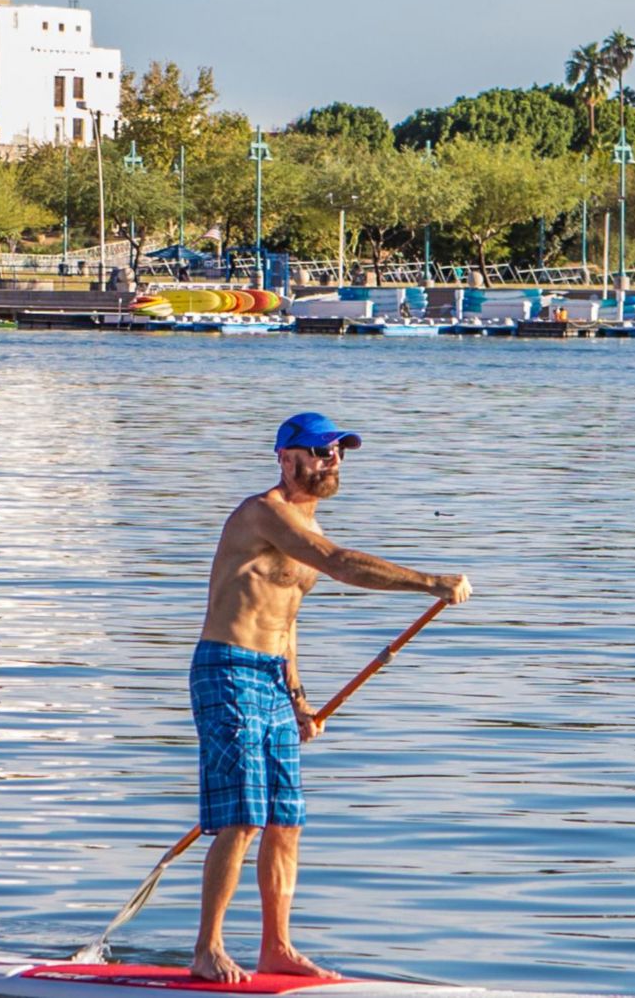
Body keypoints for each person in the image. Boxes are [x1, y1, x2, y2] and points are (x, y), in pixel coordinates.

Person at [186, 412, 469, 983]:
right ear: (286, 457)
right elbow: (339, 564)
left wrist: (298, 701)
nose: (330, 460)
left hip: (271, 676)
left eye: (338, 452)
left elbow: (285, 624)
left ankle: (277, 948)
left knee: (285, 819)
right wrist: (429, 581)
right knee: (243, 816)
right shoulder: (261, 512)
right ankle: (207, 948)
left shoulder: (304, 522)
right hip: (227, 669)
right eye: (318, 452)